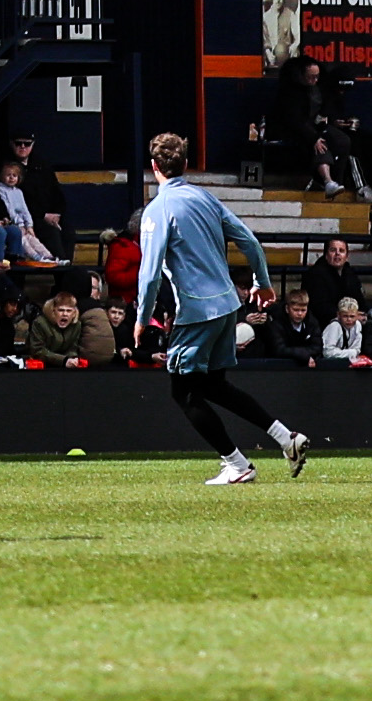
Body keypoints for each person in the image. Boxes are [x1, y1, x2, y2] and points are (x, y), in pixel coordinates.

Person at [128, 133, 312, 487]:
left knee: (183, 392)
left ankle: (237, 464)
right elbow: (249, 241)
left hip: (197, 311)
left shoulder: (157, 210)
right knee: (213, 385)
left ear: (153, 167)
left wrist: (142, 317)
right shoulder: (206, 198)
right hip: (228, 306)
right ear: (185, 165)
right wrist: (262, 281)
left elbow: (149, 275)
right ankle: (286, 437)